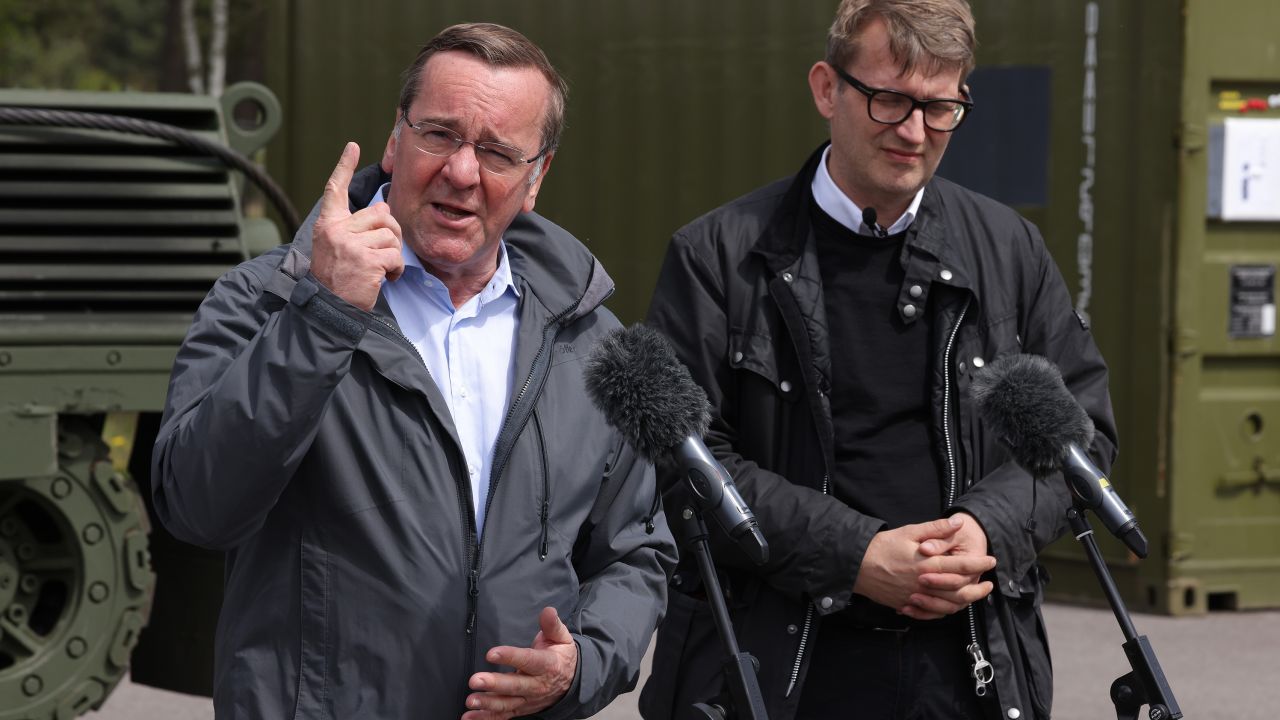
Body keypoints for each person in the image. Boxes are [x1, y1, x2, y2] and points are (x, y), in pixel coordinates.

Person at [151, 22, 676, 720]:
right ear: (395, 142)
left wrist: (582, 662)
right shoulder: (268, 297)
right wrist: (323, 318)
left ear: (536, 177)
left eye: (496, 152)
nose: (461, 172)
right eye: (438, 135)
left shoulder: (590, 342)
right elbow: (197, 505)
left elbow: (636, 553)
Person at [640, 1, 1116, 719]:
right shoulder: (717, 257)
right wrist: (857, 555)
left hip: (970, 667)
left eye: (941, 107)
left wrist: (987, 524)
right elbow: (681, 461)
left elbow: (1081, 434)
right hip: (781, 667)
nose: (915, 132)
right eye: (890, 100)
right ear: (827, 88)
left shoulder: (1009, 250)